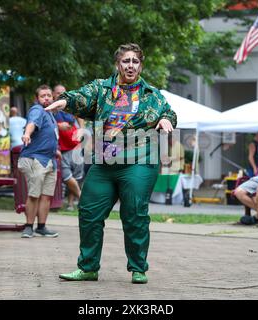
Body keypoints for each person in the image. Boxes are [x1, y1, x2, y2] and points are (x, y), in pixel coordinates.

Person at [45, 43, 177, 284]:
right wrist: (64, 101)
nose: (130, 65)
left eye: (135, 61)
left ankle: (138, 268)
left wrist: (166, 120)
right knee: (88, 212)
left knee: (134, 213)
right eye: (126, 61)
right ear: (118, 64)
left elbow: (168, 112)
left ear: (140, 65)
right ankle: (88, 267)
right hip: (105, 161)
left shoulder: (151, 94)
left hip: (139, 161)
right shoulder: (102, 88)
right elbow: (81, 96)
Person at [18, 85, 60, 238]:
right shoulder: (37, 110)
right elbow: (32, 123)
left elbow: (47, 136)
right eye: (43, 96)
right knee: (34, 194)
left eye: (49, 95)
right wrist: (27, 134)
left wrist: (56, 151)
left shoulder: (50, 114)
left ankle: (41, 227)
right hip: (35, 158)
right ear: (37, 99)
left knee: (46, 195)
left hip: (50, 160)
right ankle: (28, 227)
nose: (47, 98)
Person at [52, 84, 85, 211]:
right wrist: (58, 126)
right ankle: (82, 199)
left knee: (76, 176)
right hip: (61, 149)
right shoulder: (51, 108)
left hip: (75, 146)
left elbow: (81, 115)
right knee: (67, 176)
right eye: (58, 92)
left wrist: (81, 129)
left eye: (63, 92)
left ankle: (71, 204)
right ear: (54, 94)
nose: (60, 94)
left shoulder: (70, 106)